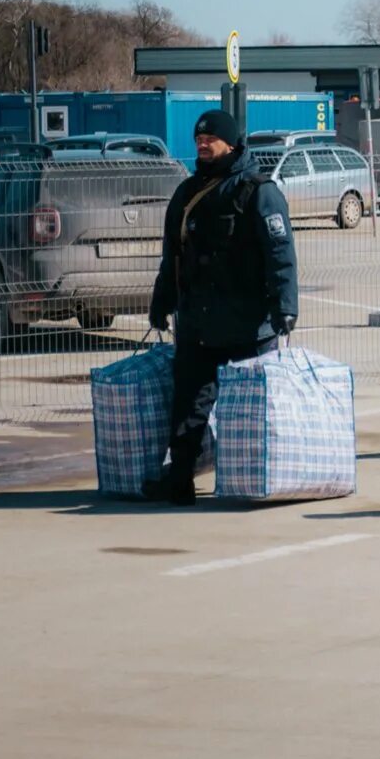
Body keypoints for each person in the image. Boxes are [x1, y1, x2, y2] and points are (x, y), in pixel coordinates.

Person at [145, 110, 299, 506]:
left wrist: (286, 306)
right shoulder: (187, 193)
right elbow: (172, 256)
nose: (202, 144)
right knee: (188, 406)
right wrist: (162, 302)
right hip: (197, 323)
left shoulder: (258, 191)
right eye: (198, 139)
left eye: (210, 138)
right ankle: (180, 480)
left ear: (230, 143)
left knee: (250, 410)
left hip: (248, 325)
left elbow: (280, 252)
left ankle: (253, 480)